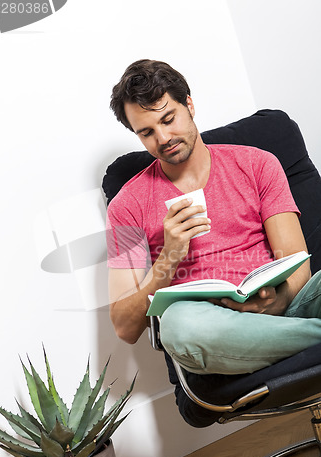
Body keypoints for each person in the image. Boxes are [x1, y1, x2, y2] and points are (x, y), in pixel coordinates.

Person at [106, 59, 321, 392]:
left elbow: (298, 262)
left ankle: (289, 337)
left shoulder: (257, 163)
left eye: (168, 118)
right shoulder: (126, 206)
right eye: (146, 132)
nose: (163, 138)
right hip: (214, 330)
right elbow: (124, 327)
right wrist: (168, 258)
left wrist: (279, 299)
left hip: (286, 305)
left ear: (188, 104)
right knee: (178, 327)